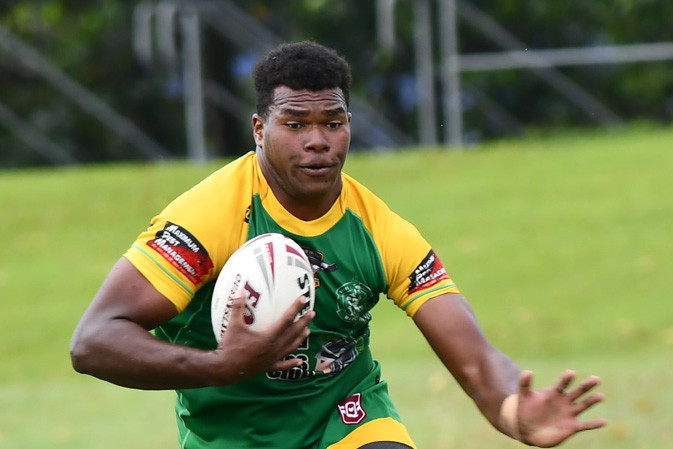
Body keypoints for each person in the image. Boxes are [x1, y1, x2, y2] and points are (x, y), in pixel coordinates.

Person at [70, 41, 607, 449]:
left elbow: (476, 359)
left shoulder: (380, 230)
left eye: (333, 122)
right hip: (232, 435)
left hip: (347, 416)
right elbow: (94, 341)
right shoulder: (207, 219)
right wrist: (221, 364)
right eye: (295, 123)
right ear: (259, 129)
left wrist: (514, 408)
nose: (318, 140)